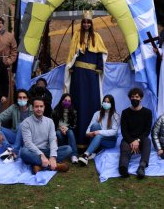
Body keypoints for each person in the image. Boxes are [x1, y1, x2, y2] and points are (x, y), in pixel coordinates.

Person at [65, 10, 108, 145]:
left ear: (91, 23)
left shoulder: (97, 36)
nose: (86, 24)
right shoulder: (77, 35)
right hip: (78, 75)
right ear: (82, 23)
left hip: (92, 76)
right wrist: (71, 66)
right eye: (84, 22)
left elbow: (101, 53)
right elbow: (72, 53)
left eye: (88, 22)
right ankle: (78, 139)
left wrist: (100, 67)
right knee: (78, 103)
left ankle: (92, 138)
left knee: (92, 103)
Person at [20, 98, 72, 174]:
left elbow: (52, 139)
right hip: (33, 151)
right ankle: (56, 165)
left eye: (41, 106)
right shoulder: (26, 123)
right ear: (32, 107)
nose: (39, 109)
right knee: (23, 152)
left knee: (68, 149)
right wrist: (41, 154)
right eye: (36, 106)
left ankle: (40, 166)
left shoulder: (49, 121)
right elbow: (28, 143)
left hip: (47, 150)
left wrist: (53, 156)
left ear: (44, 107)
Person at [119, 88, 152, 179]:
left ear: (141, 98)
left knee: (147, 142)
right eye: (132, 97)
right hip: (128, 138)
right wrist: (131, 141)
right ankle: (123, 168)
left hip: (141, 139)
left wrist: (137, 140)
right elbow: (123, 131)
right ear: (129, 98)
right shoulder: (125, 112)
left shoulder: (147, 112)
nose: (134, 99)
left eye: (137, 97)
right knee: (124, 146)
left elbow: (147, 131)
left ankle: (142, 167)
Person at [78, 94, 120, 166]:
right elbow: (91, 126)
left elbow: (114, 132)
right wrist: (88, 133)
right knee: (95, 125)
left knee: (99, 136)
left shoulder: (116, 115)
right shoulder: (97, 113)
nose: (106, 103)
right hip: (98, 137)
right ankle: (93, 152)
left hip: (110, 141)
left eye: (108, 102)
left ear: (112, 104)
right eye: (105, 101)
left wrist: (99, 132)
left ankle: (86, 154)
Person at [0, 89, 32, 163]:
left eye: (24, 97)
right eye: (20, 97)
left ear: (27, 99)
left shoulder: (33, 109)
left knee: (22, 124)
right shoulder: (14, 107)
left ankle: (15, 151)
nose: (22, 99)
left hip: (28, 138)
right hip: (16, 135)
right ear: (17, 99)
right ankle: (9, 148)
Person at [51, 93, 78, 164]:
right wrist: (60, 128)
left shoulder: (73, 112)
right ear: (62, 101)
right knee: (58, 133)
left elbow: (74, 125)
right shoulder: (55, 111)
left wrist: (67, 128)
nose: (67, 102)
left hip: (68, 131)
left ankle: (74, 155)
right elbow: (52, 125)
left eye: (69, 101)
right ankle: (64, 151)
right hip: (58, 131)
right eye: (65, 100)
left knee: (70, 132)